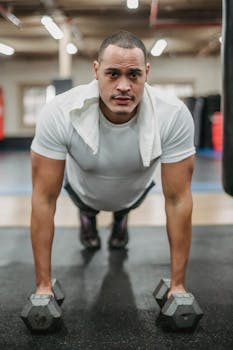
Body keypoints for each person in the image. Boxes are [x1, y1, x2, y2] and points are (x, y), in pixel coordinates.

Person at [30, 30, 195, 298]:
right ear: (96, 71)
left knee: (121, 216)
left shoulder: (173, 115)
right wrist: (43, 287)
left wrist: (178, 287)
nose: (123, 86)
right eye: (112, 74)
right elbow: (43, 199)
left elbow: (178, 200)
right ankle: (88, 218)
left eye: (133, 75)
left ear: (146, 73)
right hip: (83, 192)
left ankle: (120, 218)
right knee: (89, 215)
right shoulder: (60, 113)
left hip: (133, 194)